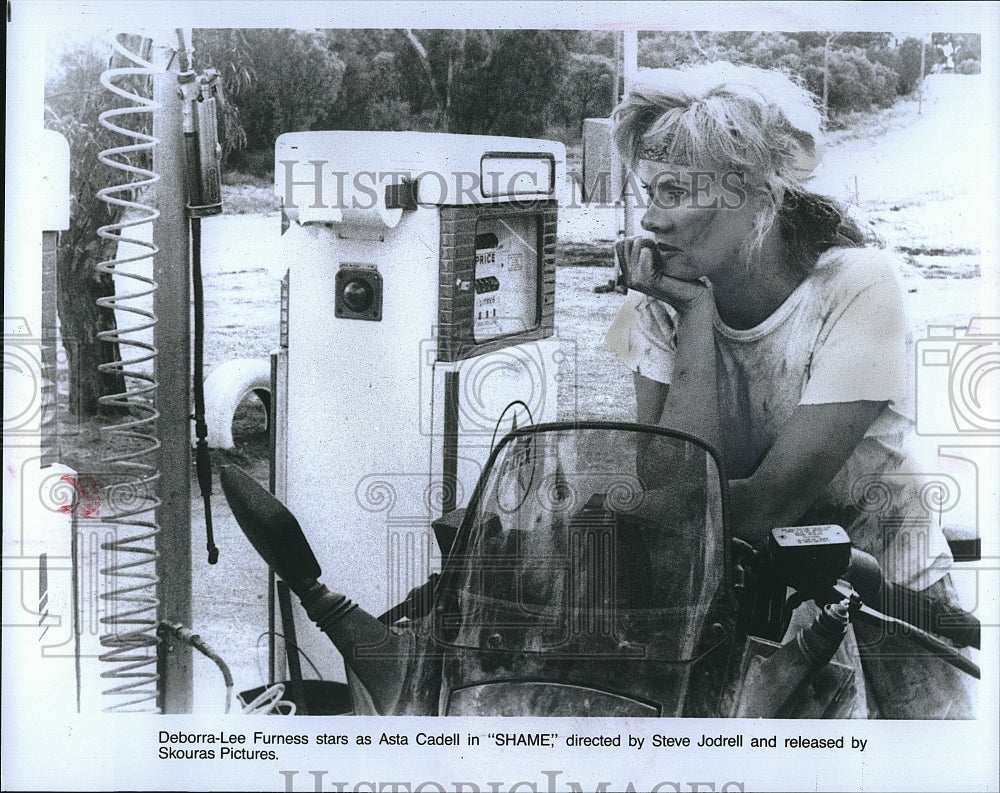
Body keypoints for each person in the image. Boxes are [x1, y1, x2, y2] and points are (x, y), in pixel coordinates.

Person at [603, 62, 974, 718]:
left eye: (672, 192)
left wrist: (688, 513)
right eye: (646, 193)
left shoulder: (858, 285)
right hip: (757, 604)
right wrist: (692, 318)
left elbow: (760, 511)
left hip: (888, 593)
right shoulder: (661, 300)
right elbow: (673, 480)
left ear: (750, 194)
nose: (650, 219)